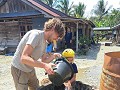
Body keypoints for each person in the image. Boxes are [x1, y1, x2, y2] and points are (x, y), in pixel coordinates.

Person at [11, 18, 65, 90]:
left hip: (30, 68)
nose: (56, 39)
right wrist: (45, 66)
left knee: (36, 88)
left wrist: (53, 57)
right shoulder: (36, 35)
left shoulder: (45, 43)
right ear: (53, 29)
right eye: (57, 36)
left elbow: (43, 61)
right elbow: (24, 58)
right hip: (19, 68)